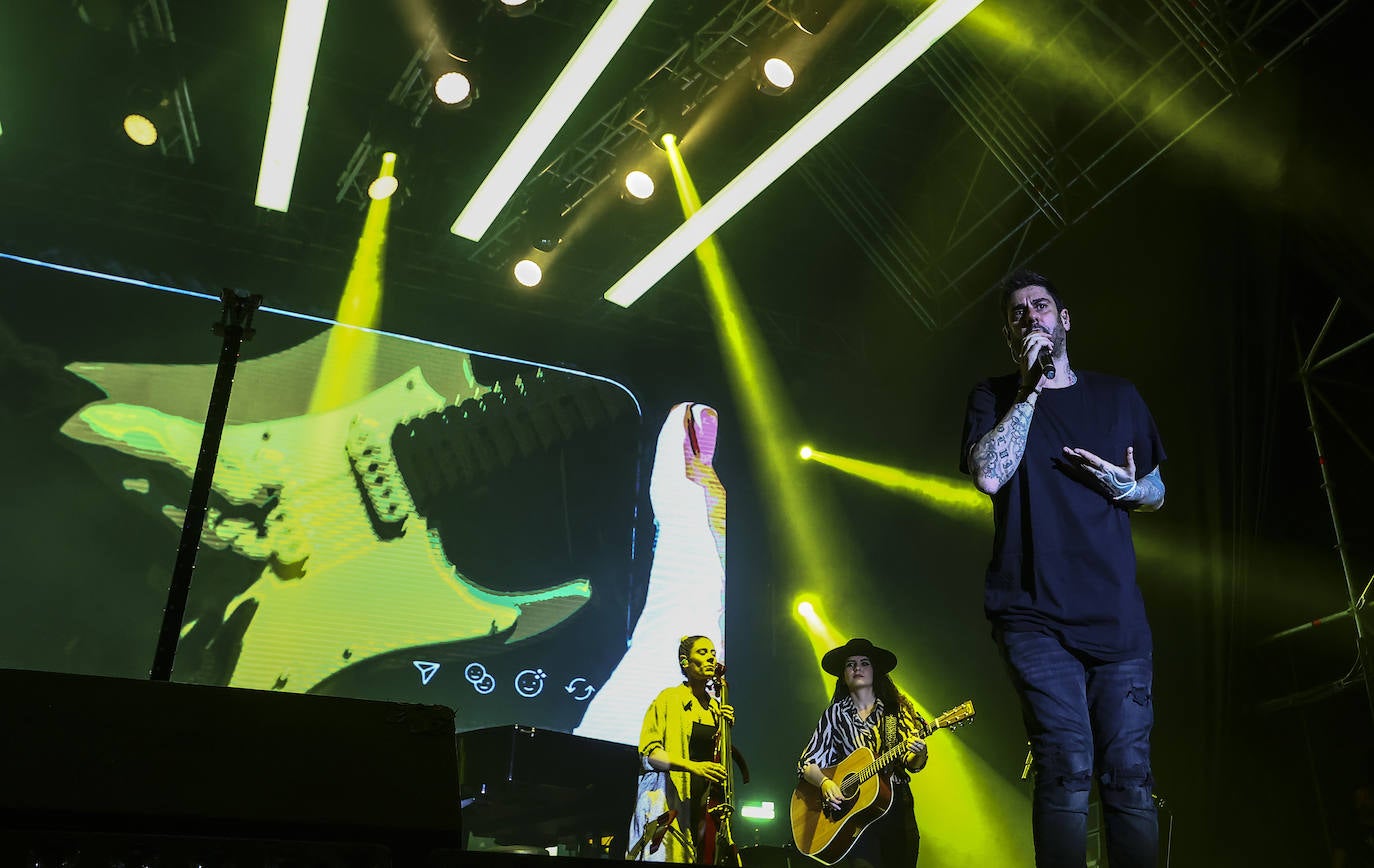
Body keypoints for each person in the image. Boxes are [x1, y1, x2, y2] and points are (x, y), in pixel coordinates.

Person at [960, 269, 1167, 868]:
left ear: (1065, 318)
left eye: (1042, 306)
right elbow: (990, 474)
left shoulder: (1118, 395)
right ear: (1009, 334)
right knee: (1067, 763)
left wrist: (1130, 489)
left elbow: (1157, 487)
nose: (1032, 318)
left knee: (1129, 776)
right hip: (1033, 616)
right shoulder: (993, 396)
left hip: (1117, 619)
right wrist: (1029, 390)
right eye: (1019, 313)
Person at [797, 637, 928, 868]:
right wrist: (826, 784)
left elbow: (912, 763)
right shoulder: (834, 714)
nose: (857, 668)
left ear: (874, 671)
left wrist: (919, 752)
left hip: (896, 806)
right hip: (855, 814)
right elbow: (808, 762)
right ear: (844, 675)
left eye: (864, 663)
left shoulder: (894, 710)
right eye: (850, 664)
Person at [629, 635, 735, 863]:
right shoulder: (668, 698)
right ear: (685, 661)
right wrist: (693, 767)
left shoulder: (715, 708)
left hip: (699, 811)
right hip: (665, 804)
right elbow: (650, 754)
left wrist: (724, 729)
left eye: (713, 653)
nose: (711, 657)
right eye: (703, 652)